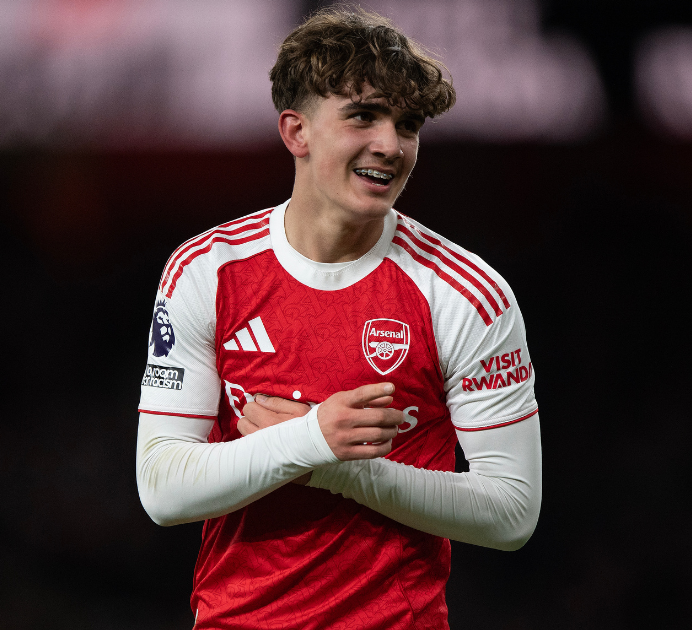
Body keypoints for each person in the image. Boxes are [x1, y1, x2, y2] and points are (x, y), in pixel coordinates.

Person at [136, 6, 542, 629]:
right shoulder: (207, 271)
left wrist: (340, 469)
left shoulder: (466, 294)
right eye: (363, 116)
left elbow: (512, 512)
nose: (392, 146)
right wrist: (309, 439)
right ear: (296, 131)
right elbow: (163, 488)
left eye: (408, 125)